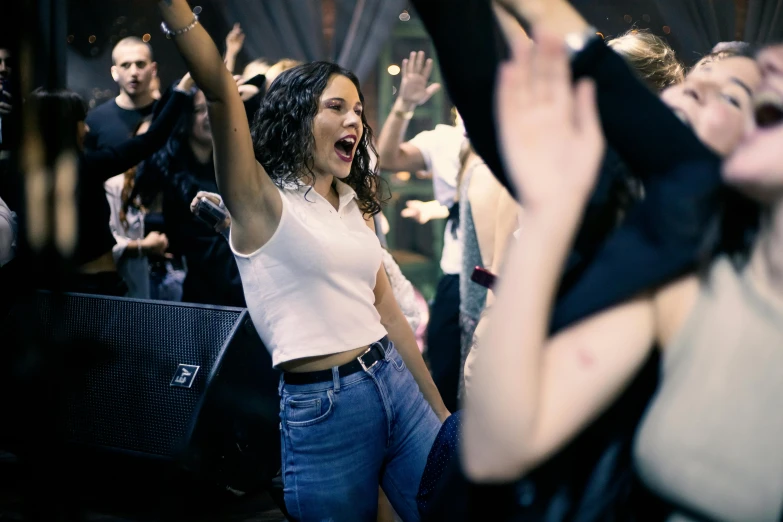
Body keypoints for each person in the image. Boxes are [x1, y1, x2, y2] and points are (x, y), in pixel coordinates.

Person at [465, 29, 783, 522]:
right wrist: (550, 214)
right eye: (697, 79)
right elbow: (497, 448)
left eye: (742, 99)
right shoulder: (689, 284)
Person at [157, 2, 448, 521]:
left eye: (358, 110)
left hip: (395, 380)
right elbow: (221, 90)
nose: (354, 119)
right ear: (298, 116)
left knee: (447, 509)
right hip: (327, 406)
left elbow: (388, 310)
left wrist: (440, 413)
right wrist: (175, 9)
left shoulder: (350, 198)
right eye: (337, 106)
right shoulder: (259, 200)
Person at [28, 74, 192, 296]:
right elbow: (152, 139)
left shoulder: (24, 175)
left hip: (49, 290)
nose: (86, 130)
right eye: (81, 121)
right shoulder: (86, 167)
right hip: (96, 288)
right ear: (66, 125)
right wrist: (182, 89)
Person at [377, 50, 465, 412]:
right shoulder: (443, 138)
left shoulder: (514, 132)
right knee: (446, 367)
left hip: (512, 273)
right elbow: (388, 157)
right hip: (457, 272)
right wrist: (404, 106)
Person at [84, 37, 159, 151]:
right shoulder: (95, 121)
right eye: (125, 65)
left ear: (153, 69)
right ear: (114, 72)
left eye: (140, 64)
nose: (134, 72)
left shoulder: (168, 114)